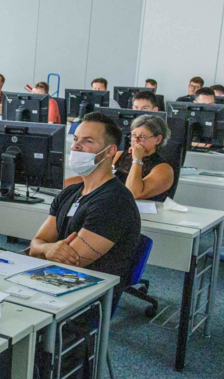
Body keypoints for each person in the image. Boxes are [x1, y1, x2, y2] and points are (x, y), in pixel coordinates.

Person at [30, 112, 141, 302]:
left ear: (109, 151)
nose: (76, 146)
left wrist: (43, 249)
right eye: (75, 139)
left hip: (83, 297)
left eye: (87, 141)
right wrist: (47, 249)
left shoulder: (114, 201)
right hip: (56, 283)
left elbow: (72, 264)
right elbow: (35, 245)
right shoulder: (70, 192)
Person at [112, 114, 174, 202]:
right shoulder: (119, 155)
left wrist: (137, 160)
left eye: (143, 136)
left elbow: (133, 194)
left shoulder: (164, 169)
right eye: (134, 135)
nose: (136, 140)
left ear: (158, 140)